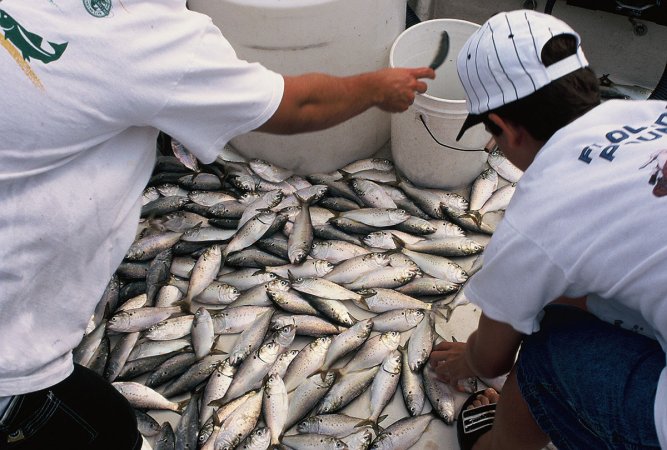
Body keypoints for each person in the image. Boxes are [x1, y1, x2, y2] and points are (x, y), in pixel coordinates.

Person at [0, 2, 434, 448]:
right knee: (107, 429)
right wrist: (378, 89)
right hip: (10, 344)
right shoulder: (154, 41)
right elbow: (300, 104)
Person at [428, 9, 666, 450]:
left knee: (545, 351)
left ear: (502, 129)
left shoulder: (537, 218)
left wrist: (471, 358)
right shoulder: (655, 112)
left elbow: (492, 357)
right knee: (566, 294)